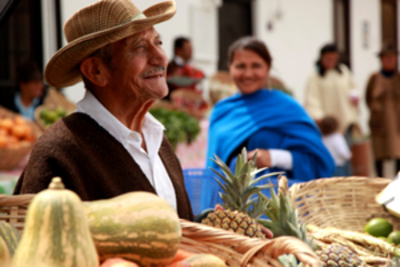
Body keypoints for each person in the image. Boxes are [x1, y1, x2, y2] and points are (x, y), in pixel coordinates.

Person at [13, 0, 193, 220]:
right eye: (140, 47)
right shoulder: (60, 151)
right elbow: (38, 247)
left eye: (159, 42)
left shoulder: (157, 139)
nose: (161, 58)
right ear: (96, 70)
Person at [206, 37, 335, 181]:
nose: (248, 74)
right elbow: (212, 168)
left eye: (256, 66)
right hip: (227, 201)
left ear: (268, 67)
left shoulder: (287, 108)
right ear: (230, 67)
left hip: (272, 200)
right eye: (240, 66)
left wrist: (273, 158)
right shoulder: (222, 111)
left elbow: (319, 162)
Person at [304, 44, 359, 135]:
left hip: (346, 118)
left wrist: (355, 96)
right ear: (321, 58)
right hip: (327, 125)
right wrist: (319, 117)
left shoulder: (344, 71)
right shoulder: (314, 76)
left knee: (344, 148)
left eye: (333, 59)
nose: (331, 62)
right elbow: (312, 99)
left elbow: (353, 88)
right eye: (328, 59)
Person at [366, 43, 400, 177]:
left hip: (397, 123)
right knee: (379, 154)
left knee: (397, 152)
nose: (390, 61)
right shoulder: (374, 78)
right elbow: (367, 97)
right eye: (386, 58)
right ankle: (380, 184)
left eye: (392, 58)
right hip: (380, 123)